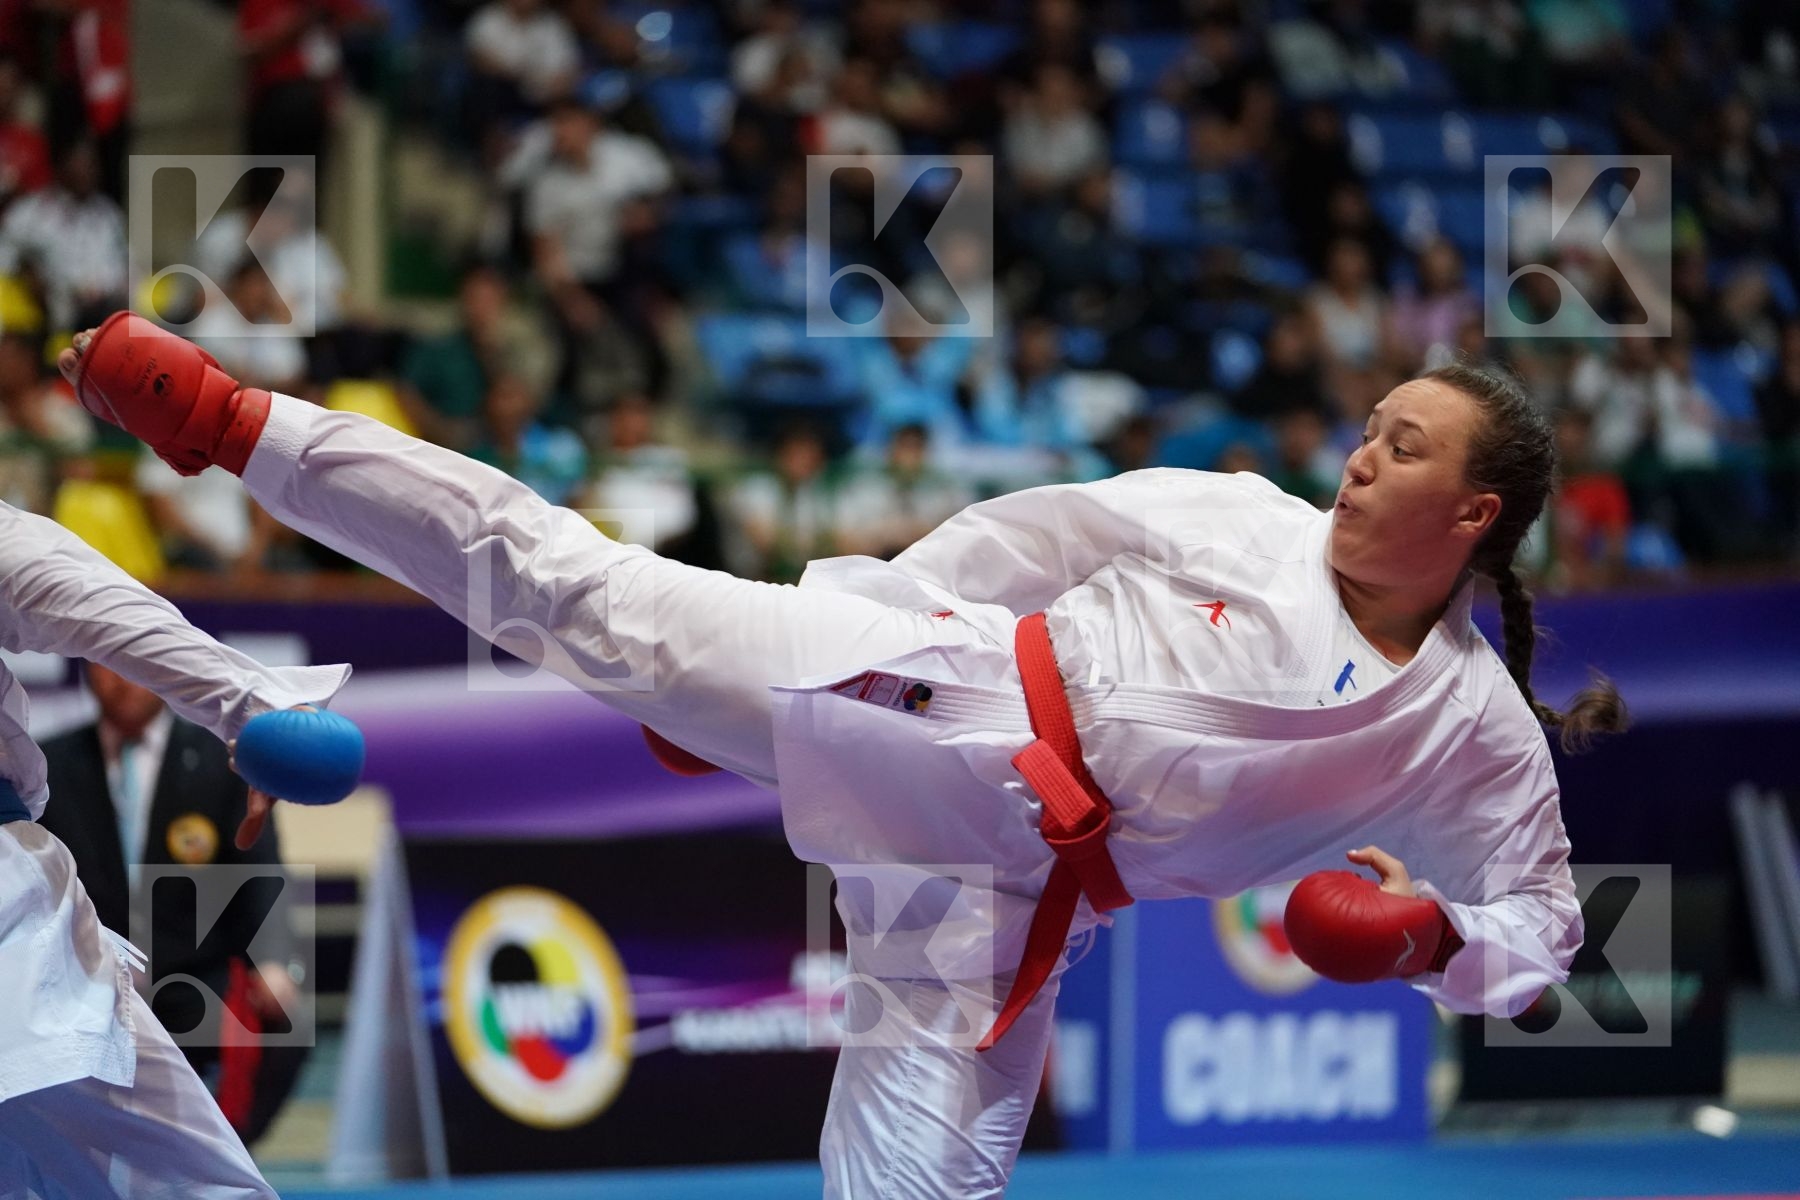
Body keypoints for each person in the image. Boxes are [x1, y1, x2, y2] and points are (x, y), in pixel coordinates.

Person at [68, 315, 1625, 1199]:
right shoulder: (1242, 516)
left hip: (1006, 914)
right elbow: (1018, 540)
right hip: (920, 694)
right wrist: (800, 669)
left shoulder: (1475, 736)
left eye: (1405, 445)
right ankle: (234, 418)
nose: (1362, 451)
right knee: (568, 588)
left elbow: (1544, 941)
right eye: (1370, 423)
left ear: (1474, 516)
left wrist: (1432, 939)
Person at [0, 484, 350, 1195]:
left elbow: (261, 880)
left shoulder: (195, 771)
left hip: (183, 976)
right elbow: (86, 600)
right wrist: (252, 701)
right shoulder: (71, 757)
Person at [38, 662, 308, 1147]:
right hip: (84, 982)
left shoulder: (222, 763)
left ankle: (223, 1161)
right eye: (105, 664)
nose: (121, 678)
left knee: (282, 1018)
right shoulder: (46, 768)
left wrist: (274, 960)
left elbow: (261, 871)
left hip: (193, 977)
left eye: (134, 665)